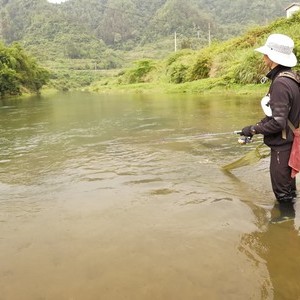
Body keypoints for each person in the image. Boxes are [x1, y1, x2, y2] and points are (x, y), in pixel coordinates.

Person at [241, 33, 300, 204]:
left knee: (282, 195)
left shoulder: (280, 84)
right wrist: (258, 125)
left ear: (272, 58)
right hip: (291, 143)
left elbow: (278, 122)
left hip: (283, 147)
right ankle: (291, 226)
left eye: (265, 54)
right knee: (290, 191)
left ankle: (284, 227)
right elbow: (281, 115)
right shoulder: (292, 77)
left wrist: (253, 129)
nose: (263, 58)